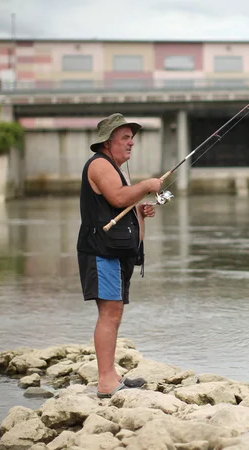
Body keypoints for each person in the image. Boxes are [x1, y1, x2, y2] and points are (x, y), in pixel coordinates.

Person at [76, 113, 163, 398]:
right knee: (109, 313)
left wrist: (140, 210)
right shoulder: (100, 165)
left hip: (113, 251)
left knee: (114, 312)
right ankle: (105, 381)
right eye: (125, 138)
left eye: (132, 138)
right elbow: (116, 198)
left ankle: (111, 375)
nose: (131, 143)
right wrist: (146, 186)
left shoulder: (113, 167)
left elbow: (118, 205)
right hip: (100, 251)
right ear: (107, 141)